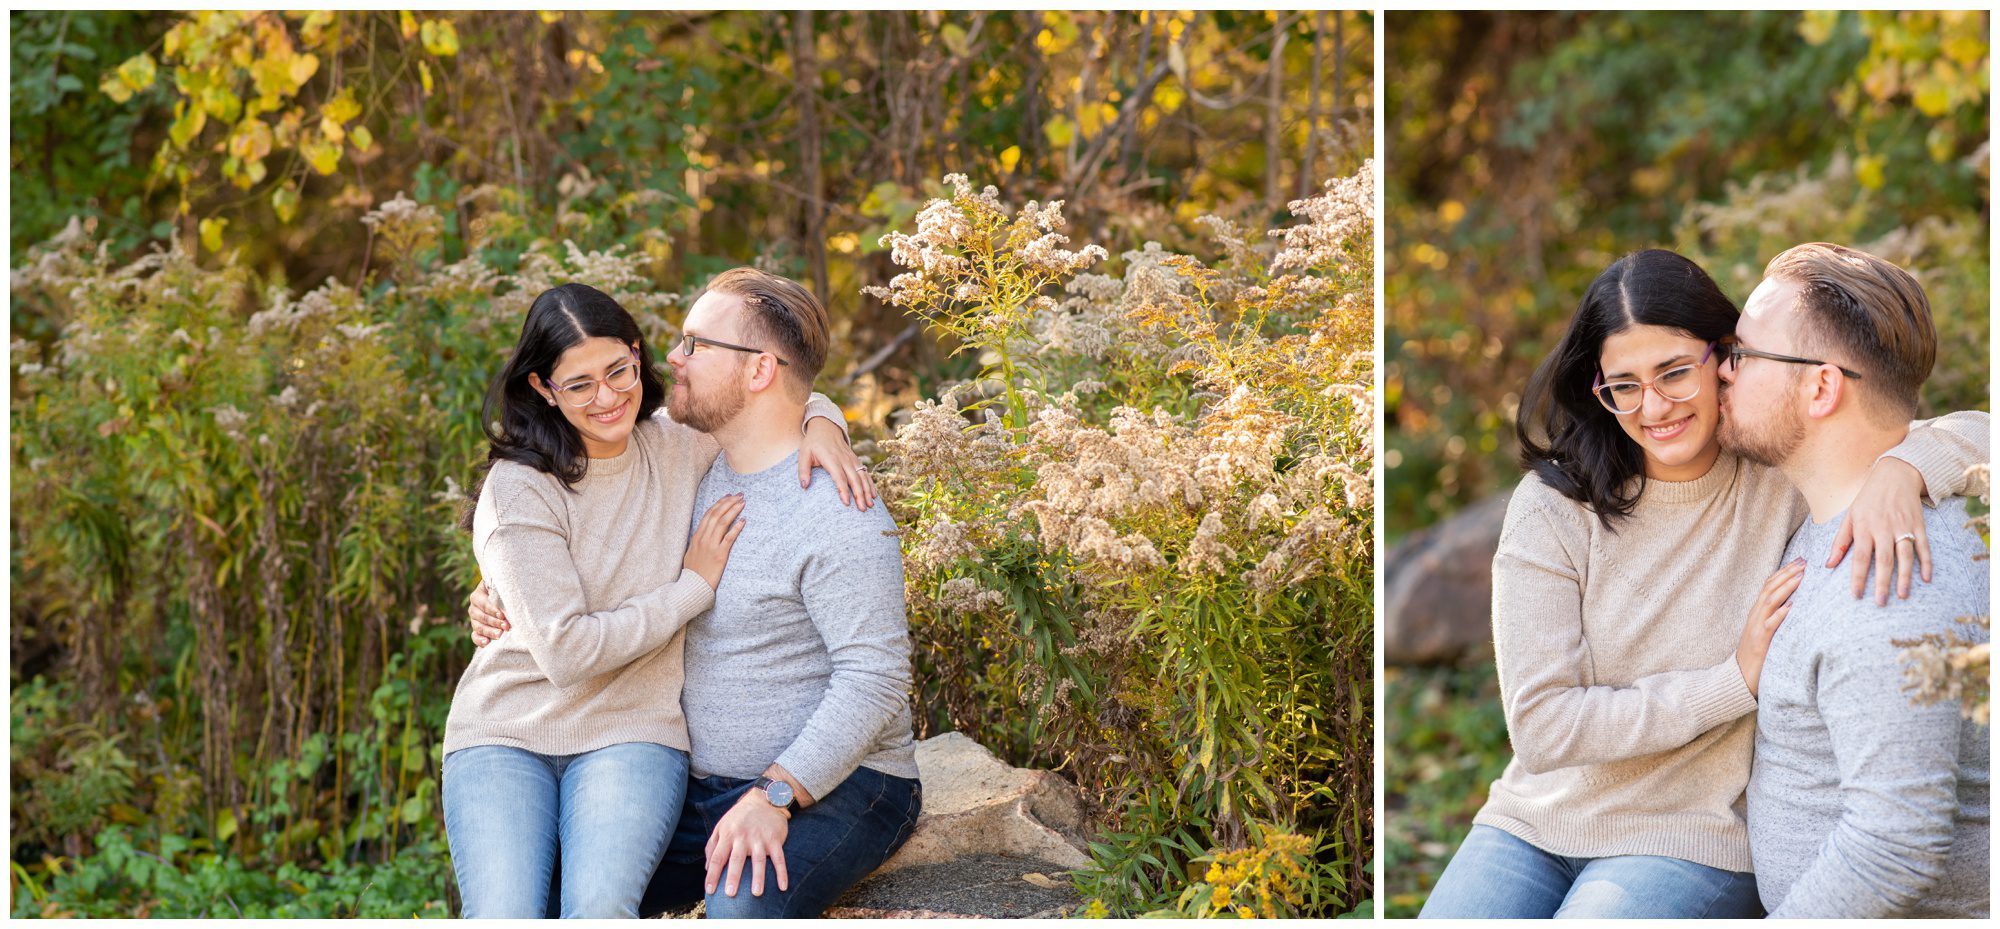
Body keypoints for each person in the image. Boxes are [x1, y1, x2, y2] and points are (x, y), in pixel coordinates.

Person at [1417, 248, 1986, 918]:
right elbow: (1543, 728)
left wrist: (1906, 467)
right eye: (1622, 385)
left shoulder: (1778, 467)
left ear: (1721, 357)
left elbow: (1945, 425)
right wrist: (1731, 682)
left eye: (1674, 373)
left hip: (1697, 829)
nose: (1653, 407)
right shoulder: (1553, 506)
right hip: (1537, 820)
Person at [468, 268, 920, 918]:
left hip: (841, 785)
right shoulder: (694, 461)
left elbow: (875, 680)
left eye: (694, 343)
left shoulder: (837, 511)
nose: (671, 358)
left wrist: (776, 793)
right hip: (704, 789)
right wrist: (502, 587)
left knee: (737, 902)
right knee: (548, 889)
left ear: (759, 369)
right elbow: (590, 533)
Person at [1720, 243, 1988, 918]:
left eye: (1743, 353)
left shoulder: (1886, 582)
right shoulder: (1862, 501)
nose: (1722, 370)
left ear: (1820, 388)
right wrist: (1909, 463)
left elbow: (1894, 844)